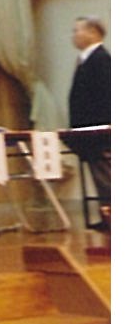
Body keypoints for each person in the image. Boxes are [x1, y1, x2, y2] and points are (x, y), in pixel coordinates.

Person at [68, 15, 111, 229]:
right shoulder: (86, 60)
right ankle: (107, 215)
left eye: (77, 30)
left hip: (100, 133)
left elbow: (106, 97)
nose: (74, 35)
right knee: (100, 177)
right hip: (89, 132)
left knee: (107, 176)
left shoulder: (101, 59)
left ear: (93, 32)